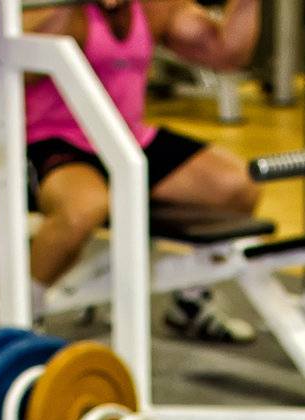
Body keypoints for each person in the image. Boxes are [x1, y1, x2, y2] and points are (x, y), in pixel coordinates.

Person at [24, 0, 262, 340]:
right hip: (57, 140)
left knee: (236, 186)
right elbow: (2, 59)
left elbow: (227, 55)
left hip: (129, 140)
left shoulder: (153, 9)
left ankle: (192, 301)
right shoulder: (60, 11)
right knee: (82, 211)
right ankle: (19, 314)